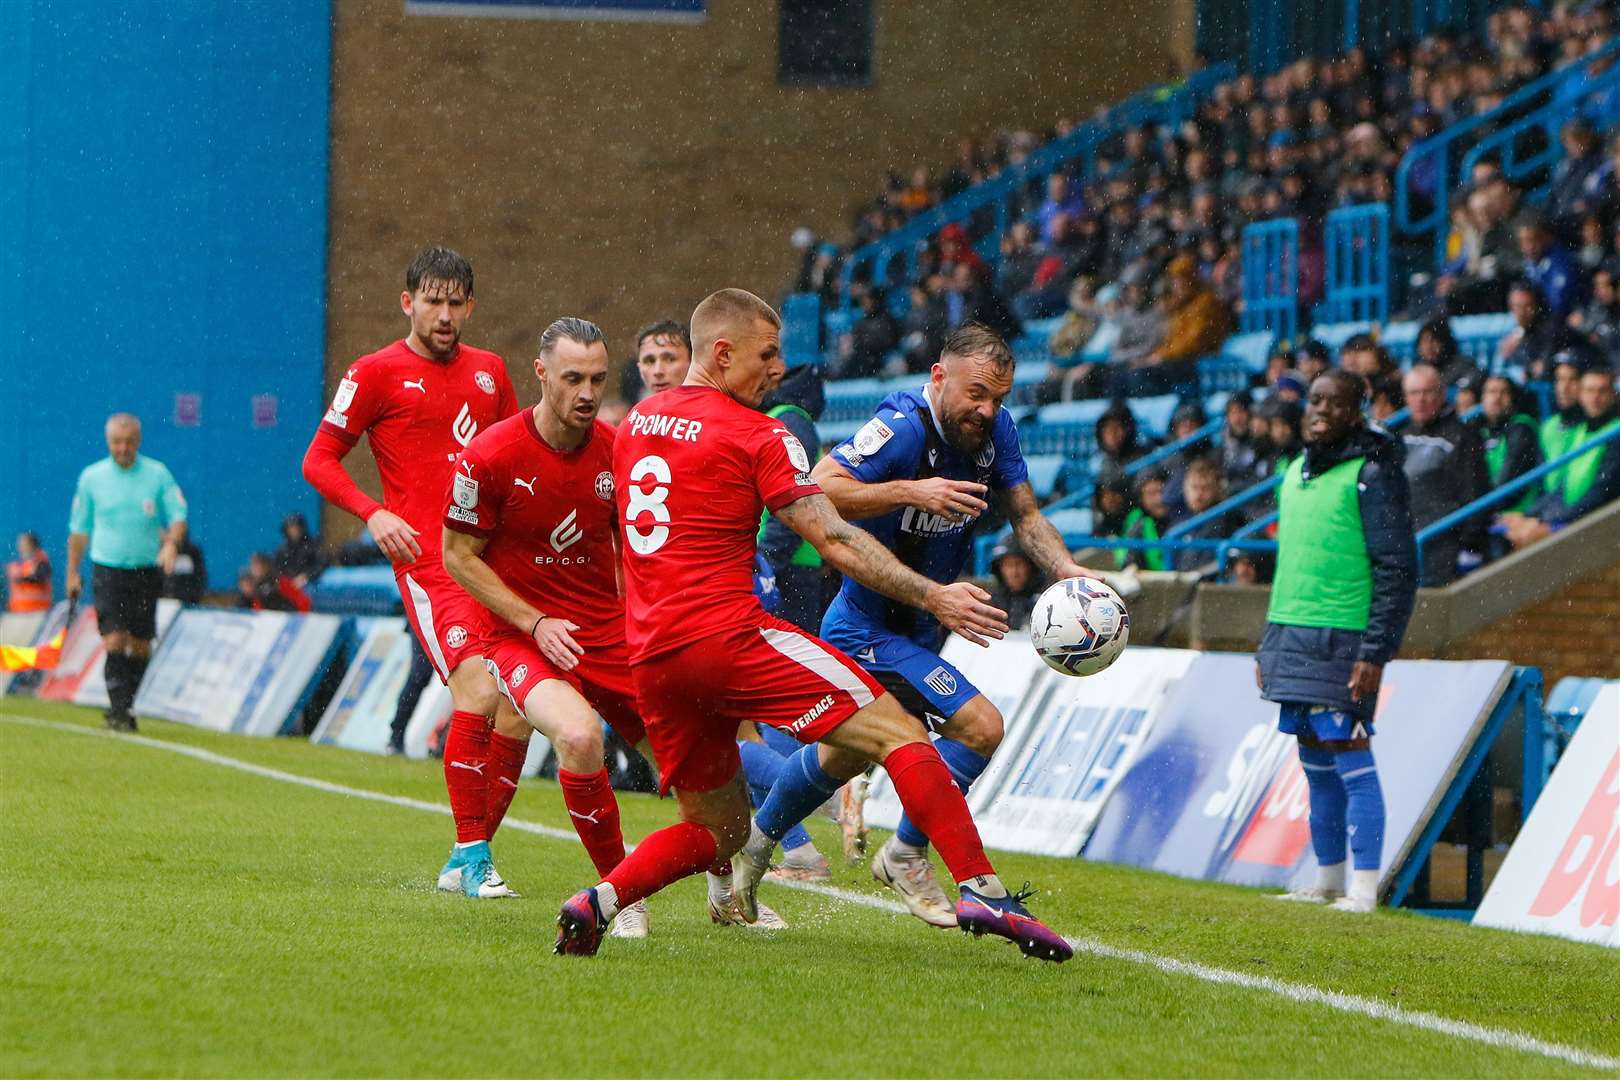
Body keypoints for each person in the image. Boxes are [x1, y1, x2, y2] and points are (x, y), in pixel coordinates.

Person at [554, 290, 1070, 962]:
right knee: (899, 732)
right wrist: (934, 596)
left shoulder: (640, 422)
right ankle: (982, 890)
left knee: (718, 829)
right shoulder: (761, 433)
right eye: (766, 355)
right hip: (729, 637)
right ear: (721, 354)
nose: (776, 370)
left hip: (652, 655)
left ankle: (598, 901)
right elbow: (836, 540)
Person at [745, 322, 1099, 928]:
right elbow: (824, 486)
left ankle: (752, 851)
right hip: (865, 626)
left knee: (839, 760)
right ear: (939, 377)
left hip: (923, 625)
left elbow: (1026, 514)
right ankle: (908, 852)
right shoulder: (903, 426)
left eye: (1000, 398)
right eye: (977, 394)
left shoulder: (998, 433)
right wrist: (914, 490)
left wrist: (1066, 570)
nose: (988, 410)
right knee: (980, 726)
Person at [443, 317, 764, 940]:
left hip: (611, 639)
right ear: (541, 374)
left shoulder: (619, 451)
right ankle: (622, 894)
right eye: (572, 379)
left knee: (698, 773)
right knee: (581, 737)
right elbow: (458, 556)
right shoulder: (489, 455)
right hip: (519, 638)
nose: (586, 392)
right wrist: (533, 622)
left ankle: (727, 894)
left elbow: (643, 551)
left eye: (595, 378)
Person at [301, 247, 527, 900]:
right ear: (408, 302)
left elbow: (516, 455)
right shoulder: (373, 373)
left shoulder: (488, 372)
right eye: (433, 299)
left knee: (519, 712)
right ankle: (474, 855)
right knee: (480, 695)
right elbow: (319, 460)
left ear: (472, 306)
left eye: (457, 301)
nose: (445, 313)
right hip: (429, 564)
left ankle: (468, 852)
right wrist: (373, 515)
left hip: (494, 563)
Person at [1258, 369, 1417, 915]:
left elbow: (1398, 569)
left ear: (1357, 412)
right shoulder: (1295, 471)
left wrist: (1376, 652)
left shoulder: (1373, 474)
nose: (1320, 409)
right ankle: (1327, 880)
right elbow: (1292, 565)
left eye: (1334, 402)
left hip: (1344, 640)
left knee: (1350, 753)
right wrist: (1268, 641)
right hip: (1292, 634)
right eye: (1314, 400)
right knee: (1314, 761)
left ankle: (1365, 889)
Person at [65, 413, 188, 731]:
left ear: (139, 441)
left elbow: (177, 513)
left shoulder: (157, 474)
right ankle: (119, 710)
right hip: (108, 569)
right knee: (115, 638)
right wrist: (72, 572)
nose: (123, 448)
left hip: (146, 569)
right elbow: (79, 530)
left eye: (129, 442)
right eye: (117, 442)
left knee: (141, 643)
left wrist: (172, 543)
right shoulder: (92, 477)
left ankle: (127, 703)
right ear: (108, 442)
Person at [1500, 367, 1620, 548]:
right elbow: (1563, 487)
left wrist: (1552, 522)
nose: (1595, 398)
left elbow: (1602, 490)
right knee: (1508, 529)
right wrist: (1530, 515)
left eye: (1602, 391)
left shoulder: (1615, 432)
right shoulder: (1581, 430)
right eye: (1589, 391)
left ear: (1614, 394)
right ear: (1581, 395)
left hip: (1594, 523)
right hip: (1573, 517)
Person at [1399, 364, 1489, 586]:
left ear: (1441, 394)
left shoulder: (1462, 436)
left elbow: (1474, 491)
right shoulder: (1401, 436)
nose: (1420, 399)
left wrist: (1470, 545)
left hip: (1443, 545)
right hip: (1406, 540)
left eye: (1427, 392)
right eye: (1413, 393)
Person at [1477, 374, 1543, 514]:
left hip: (1517, 513)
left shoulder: (1521, 428)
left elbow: (1509, 479)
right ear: (1482, 398)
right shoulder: (1478, 430)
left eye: (1504, 392)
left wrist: (1483, 511)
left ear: (1512, 399)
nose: (1497, 397)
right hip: (1489, 511)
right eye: (1492, 391)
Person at [987, 536, 1043, 631]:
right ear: (999, 569)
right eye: (1008, 565)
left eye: (1019, 564)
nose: (1014, 572)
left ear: (1031, 566)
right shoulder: (991, 601)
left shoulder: (1046, 599)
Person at [633, 319, 693, 400]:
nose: (657, 371)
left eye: (670, 360)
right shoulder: (634, 411)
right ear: (639, 367)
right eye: (650, 361)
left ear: (692, 363)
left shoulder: (712, 410)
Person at [273, 513, 324, 587]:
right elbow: (277, 569)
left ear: (302, 528)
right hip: (288, 587)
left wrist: (307, 576)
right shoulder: (282, 550)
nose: (294, 530)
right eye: (290, 528)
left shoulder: (312, 546)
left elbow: (321, 564)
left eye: (296, 527)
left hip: (310, 586)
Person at [7, 532, 52, 613]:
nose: (20, 546)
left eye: (23, 542)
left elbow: (41, 577)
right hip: (18, 610)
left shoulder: (41, 561)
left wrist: (23, 579)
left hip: (39, 611)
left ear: (32, 544)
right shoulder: (17, 565)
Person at [161, 535, 207, 605]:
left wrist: (195, 595)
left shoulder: (193, 552)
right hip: (167, 601)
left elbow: (200, 577)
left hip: (189, 600)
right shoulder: (161, 553)